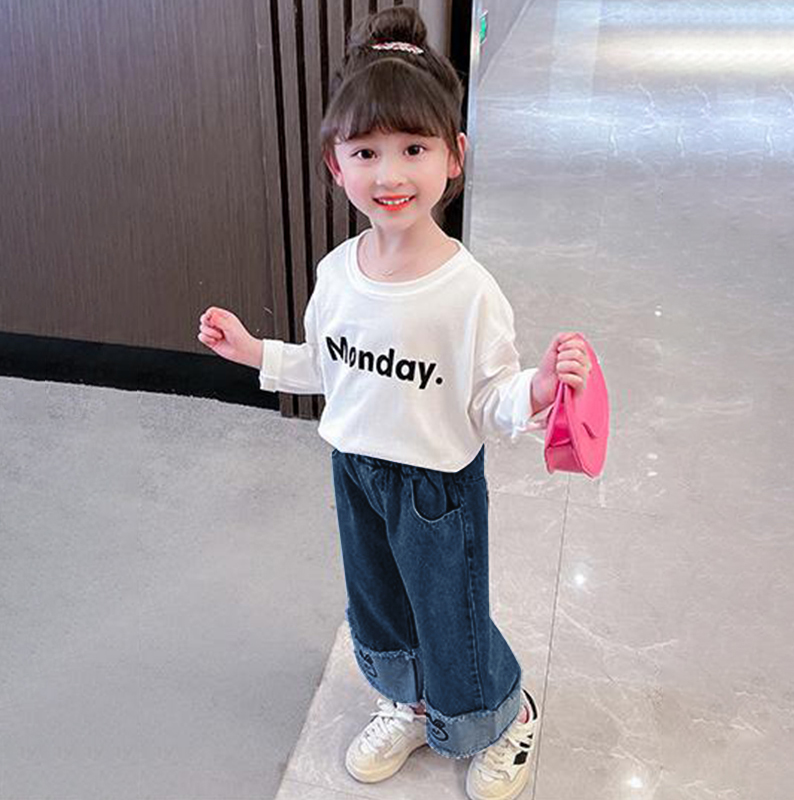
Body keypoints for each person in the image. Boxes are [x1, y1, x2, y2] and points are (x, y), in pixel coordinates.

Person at [196, 7, 591, 800]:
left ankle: (504, 713)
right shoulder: (337, 274)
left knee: (451, 619)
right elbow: (326, 365)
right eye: (366, 152)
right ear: (335, 163)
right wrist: (255, 352)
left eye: (414, 148)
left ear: (455, 155)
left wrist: (540, 388)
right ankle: (407, 703)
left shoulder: (468, 292)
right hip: (357, 473)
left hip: (437, 489)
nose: (391, 175)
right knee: (377, 608)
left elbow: (492, 397)